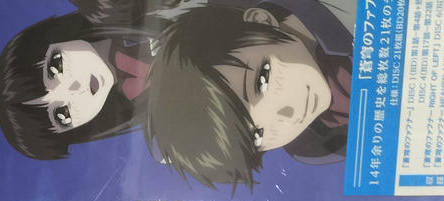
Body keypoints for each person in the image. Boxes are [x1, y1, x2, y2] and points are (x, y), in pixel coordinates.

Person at [143, 1, 351, 189]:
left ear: (262, 21)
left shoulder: (345, 14)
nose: (288, 115)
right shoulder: (315, 148)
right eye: (257, 136)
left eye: (263, 80)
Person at [0, 0, 179, 160]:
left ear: (56, 37)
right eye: (62, 115)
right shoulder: (166, 137)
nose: (75, 89)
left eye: (55, 69)